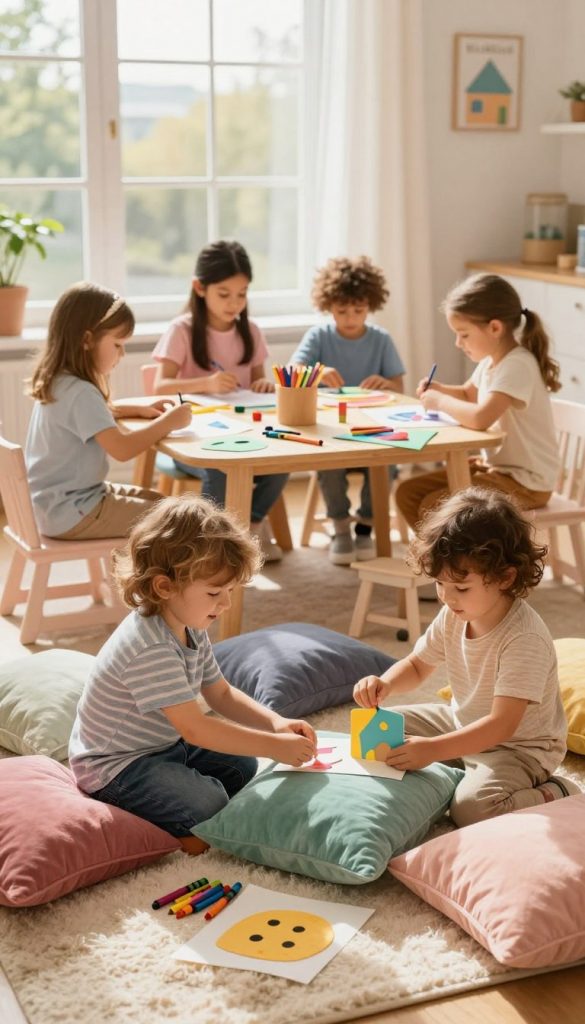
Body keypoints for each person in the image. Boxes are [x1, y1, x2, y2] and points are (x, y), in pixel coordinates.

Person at [69, 494, 317, 854]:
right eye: (216, 592)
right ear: (164, 587)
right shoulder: (149, 646)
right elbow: (196, 727)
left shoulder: (189, 622)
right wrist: (274, 746)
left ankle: (176, 804)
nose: (227, 603)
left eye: (230, 591)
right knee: (210, 805)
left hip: (163, 746)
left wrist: (275, 724)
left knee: (243, 767)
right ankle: (158, 835)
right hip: (117, 767)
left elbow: (220, 694)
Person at [354, 487, 580, 828]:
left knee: (473, 810)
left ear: (505, 577)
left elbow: (501, 725)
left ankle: (557, 791)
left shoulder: (524, 638)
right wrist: (384, 684)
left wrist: (431, 750)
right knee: (377, 731)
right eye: (440, 584)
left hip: (517, 748)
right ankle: (451, 765)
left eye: (461, 588)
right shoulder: (454, 613)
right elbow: (417, 666)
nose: (447, 597)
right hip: (461, 721)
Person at [151, 239, 288, 562]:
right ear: (200, 288)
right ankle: (214, 543)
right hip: (193, 437)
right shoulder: (181, 330)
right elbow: (159, 387)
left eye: (242, 294)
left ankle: (248, 527)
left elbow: (257, 379)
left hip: (243, 431)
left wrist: (264, 385)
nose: (234, 304)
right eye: (224, 294)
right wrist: (207, 382)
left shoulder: (251, 330)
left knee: (281, 460)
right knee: (220, 468)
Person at [25, 281, 191, 540]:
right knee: (175, 522)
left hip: (52, 507)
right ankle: (152, 579)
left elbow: (89, 416)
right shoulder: (81, 392)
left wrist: (135, 408)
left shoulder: (60, 381)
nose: (122, 354)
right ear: (87, 339)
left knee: (164, 504)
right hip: (75, 511)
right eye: (118, 344)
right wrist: (169, 422)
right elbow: (122, 449)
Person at [395, 272, 561, 532]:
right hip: (499, 470)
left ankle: (457, 565)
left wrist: (439, 401)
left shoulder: (517, 365)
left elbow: (481, 417)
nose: (458, 343)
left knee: (434, 504)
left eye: (464, 334)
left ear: (495, 328)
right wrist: (441, 390)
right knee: (408, 492)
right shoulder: (491, 362)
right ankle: (444, 563)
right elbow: (468, 394)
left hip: (527, 482)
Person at [290, 255, 405, 565]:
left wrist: (386, 382)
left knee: (388, 463)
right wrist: (318, 371)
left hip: (373, 425)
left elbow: (399, 386)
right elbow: (293, 371)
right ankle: (340, 528)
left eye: (359, 310)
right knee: (329, 463)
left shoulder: (381, 339)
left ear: (371, 305)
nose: (351, 318)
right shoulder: (319, 336)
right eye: (342, 311)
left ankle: (366, 526)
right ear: (329, 306)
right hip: (332, 428)